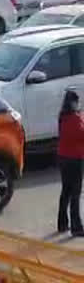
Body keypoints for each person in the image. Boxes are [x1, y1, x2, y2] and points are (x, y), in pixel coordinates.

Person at [58, 89, 84, 235]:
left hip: (63, 157)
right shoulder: (75, 118)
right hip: (75, 159)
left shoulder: (62, 117)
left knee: (65, 191)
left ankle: (62, 223)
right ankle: (76, 226)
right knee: (75, 193)